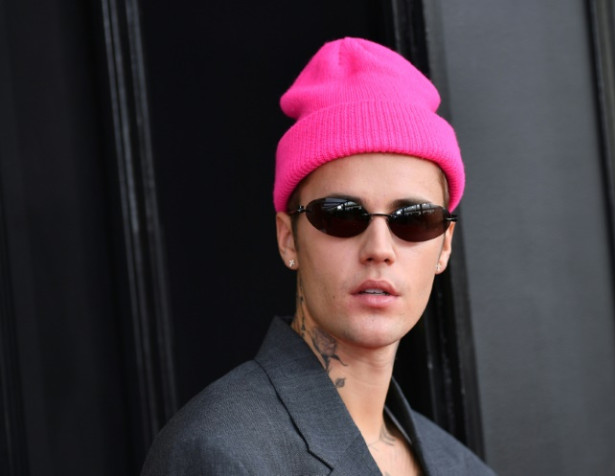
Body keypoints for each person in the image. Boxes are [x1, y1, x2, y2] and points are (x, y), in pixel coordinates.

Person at [141, 37, 495, 476]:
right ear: (289, 239)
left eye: (414, 220)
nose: (379, 249)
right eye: (342, 216)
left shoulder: (464, 469)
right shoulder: (220, 452)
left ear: (443, 245)